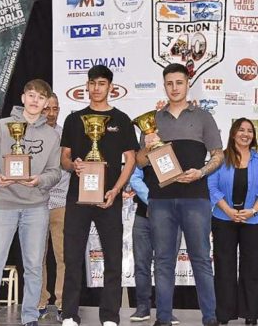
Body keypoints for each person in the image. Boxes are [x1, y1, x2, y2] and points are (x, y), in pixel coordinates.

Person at [136, 63, 224, 326]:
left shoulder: (204, 117)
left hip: (196, 197)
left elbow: (218, 156)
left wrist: (202, 172)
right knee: (163, 260)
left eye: (179, 82)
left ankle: (210, 317)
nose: (174, 88)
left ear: (187, 84)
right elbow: (140, 162)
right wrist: (147, 147)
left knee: (201, 259)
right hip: (160, 200)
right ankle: (163, 318)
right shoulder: (152, 121)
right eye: (169, 83)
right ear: (164, 85)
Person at [0, 79, 62, 326]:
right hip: (2, 205)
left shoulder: (51, 136)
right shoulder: (2, 127)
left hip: (36, 208)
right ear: (23, 98)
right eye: (31, 95)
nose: (35, 100)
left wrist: (40, 180)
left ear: (46, 104)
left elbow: (55, 171)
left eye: (41, 97)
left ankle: (30, 316)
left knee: (34, 265)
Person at [60, 65, 138, 326]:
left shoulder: (122, 120)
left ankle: (110, 316)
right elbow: (65, 158)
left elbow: (131, 160)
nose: (96, 88)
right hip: (78, 198)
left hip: (109, 199)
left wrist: (116, 189)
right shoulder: (74, 119)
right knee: (72, 257)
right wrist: (74, 166)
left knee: (113, 258)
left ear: (110, 87)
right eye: (92, 83)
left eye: (101, 83)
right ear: (87, 86)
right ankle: (70, 314)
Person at [207, 118, 258, 325]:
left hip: (254, 221)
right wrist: (228, 210)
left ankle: (250, 314)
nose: (246, 134)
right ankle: (224, 314)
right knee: (224, 268)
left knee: (251, 268)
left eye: (250, 131)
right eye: (241, 130)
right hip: (223, 219)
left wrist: (252, 211)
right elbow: (212, 187)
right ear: (233, 133)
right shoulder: (221, 159)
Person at [128, 166, 180, 325]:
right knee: (141, 264)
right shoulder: (144, 154)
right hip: (143, 216)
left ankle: (165, 310)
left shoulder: (181, 154)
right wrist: (152, 200)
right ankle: (143, 307)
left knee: (165, 265)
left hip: (171, 217)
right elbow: (134, 178)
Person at [38, 93, 70, 322]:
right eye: (46, 109)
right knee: (36, 257)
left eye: (55, 109)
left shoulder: (65, 135)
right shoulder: (28, 135)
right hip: (35, 203)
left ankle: (62, 303)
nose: (51, 113)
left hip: (61, 203)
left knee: (63, 257)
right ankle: (38, 302)